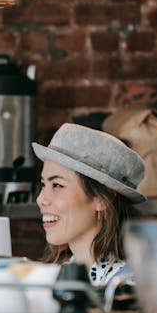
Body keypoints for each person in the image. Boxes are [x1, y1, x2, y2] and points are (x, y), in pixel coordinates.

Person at [32, 122, 146, 287]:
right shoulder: (51, 276)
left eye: (57, 185)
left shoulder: (127, 286)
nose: (41, 199)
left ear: (102, 198)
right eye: (43, 184)